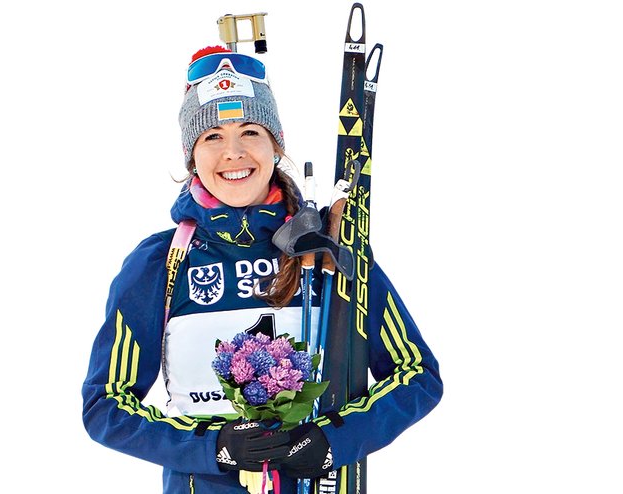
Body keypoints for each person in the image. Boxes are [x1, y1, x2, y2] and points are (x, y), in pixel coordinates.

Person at [82, 45, 443, 494]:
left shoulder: (328, 250)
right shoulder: (162, 262)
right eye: (212, 136)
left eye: (250, 131)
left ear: (276, 145)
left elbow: (416, 375)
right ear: (191, 154)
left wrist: (334, 440)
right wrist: (212, 446)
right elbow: (105, 406)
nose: (233, 152)